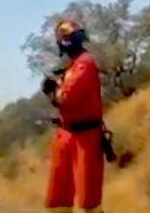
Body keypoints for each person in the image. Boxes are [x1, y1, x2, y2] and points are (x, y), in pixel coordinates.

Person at [42, 18, 105, 213]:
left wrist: (52, 91)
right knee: (59, 196)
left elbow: (67, 98)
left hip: (85, 137)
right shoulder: (74, 65)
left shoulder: (84, 64)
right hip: (67, 133)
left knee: (88, 199)